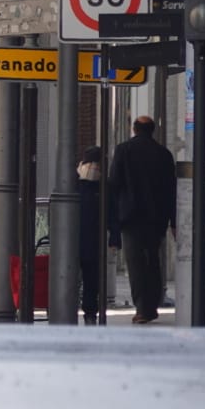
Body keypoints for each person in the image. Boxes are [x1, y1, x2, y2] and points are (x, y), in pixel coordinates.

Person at [108, 116, 178, 324]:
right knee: (153, 261)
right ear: (152, 130)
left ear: (134, 129)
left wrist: (113, 221)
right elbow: (171, 190)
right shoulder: (164, 154)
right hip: (157, 218)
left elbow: (114, 185)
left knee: (136, 263)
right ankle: (153, 304)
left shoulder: (123, 150)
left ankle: (142, 308)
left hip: (131, 217)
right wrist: (173, 221)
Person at [75, 146, 117, 325]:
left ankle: (90, 311)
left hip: (91, 240)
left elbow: (112, 214)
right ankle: (86, 311)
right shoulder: (74, 184)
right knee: (85, 279)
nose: (95, 169)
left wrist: (114, 237)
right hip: (82, 240)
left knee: (92, 280)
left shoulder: (102, 187)